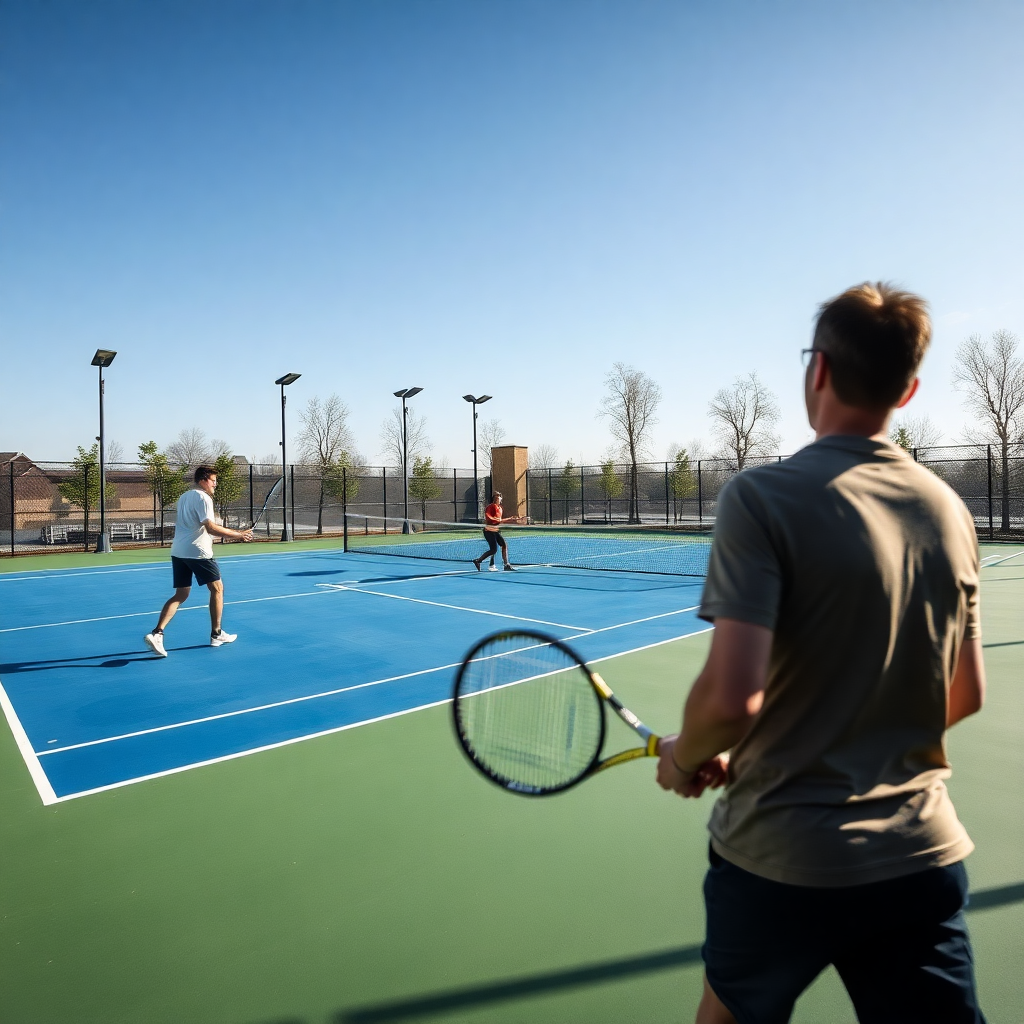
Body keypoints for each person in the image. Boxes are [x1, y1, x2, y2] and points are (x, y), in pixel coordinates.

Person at [657, 283, 986, 1024]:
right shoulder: (950, 511)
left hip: (778, 858)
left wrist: (686, 758)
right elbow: (964, 693)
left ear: (819, 370)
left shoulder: (759, 498)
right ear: (908, 388)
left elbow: (731, 700)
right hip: (919, 855)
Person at [144, 466, 254, 657]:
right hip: (198, 551)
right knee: (217, 589)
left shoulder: (184, 496)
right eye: (213, 481)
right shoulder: (204, 498)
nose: (215, 484)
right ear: (203, 480)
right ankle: (216, 634)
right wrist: (238, 534)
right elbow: (210, 527)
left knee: (181, 594)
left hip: (179, 551)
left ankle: (157, 633)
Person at [472, 490, 519, 572]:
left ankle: (506, 565)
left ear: (501, 499)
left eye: (499, 496)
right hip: (488, 531)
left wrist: (510, 519)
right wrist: (501, 520)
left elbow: (499, 521)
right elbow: (488, 517)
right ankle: (478, 561)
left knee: (504, 545)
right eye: (496, 496)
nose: (497, 497)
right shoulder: (490, 507)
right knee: (493, 550)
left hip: (495, 531)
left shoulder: (500, 508)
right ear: (493, 498)